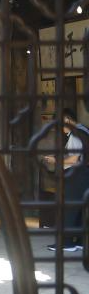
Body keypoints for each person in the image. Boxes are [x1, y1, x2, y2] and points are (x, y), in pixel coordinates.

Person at [41, 108, 88, 252]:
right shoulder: (84, 131)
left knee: (69, 208)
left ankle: (67, 243)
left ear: (67, 120)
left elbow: (74, 159)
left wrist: (55, 161)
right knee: (79, 209)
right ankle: (80, 241)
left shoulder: (76, 134)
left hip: (76, 175)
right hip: (84, 175)